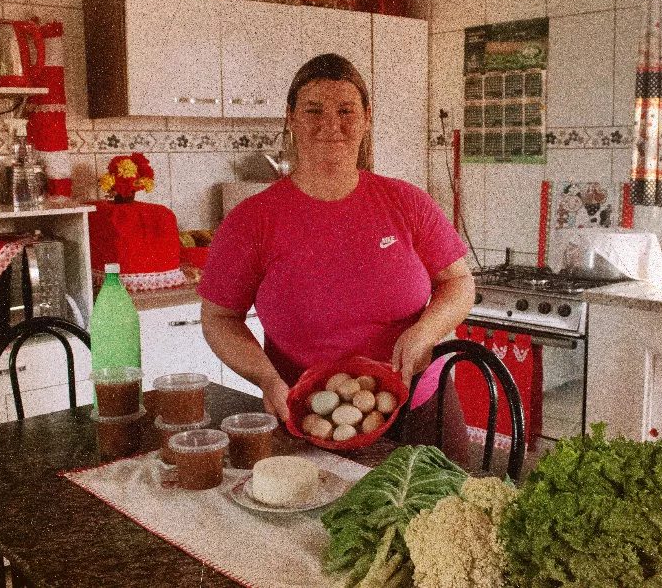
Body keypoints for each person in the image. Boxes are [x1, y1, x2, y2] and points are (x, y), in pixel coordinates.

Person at [198, 53, 475, 421]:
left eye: (346, 110)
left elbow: (458, 281)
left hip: (419, 406)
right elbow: (218, 317)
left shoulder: (407, 203)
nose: (331, 125)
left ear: (366, 118)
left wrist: (426, 330)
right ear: (291, 117)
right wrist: (266, 379)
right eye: (314, 110)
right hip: (309, 412)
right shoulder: (252, 220)